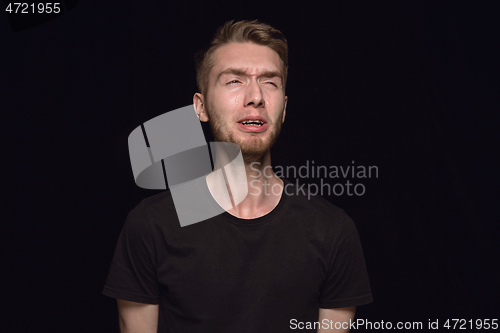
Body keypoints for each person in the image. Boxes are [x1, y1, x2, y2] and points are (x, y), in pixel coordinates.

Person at [103, 19, 373, 332]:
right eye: (235, 81)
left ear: (283, 109)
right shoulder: (151, 226)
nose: (255, 96)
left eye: (270, 82)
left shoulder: (332, 231)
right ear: (201, 107)